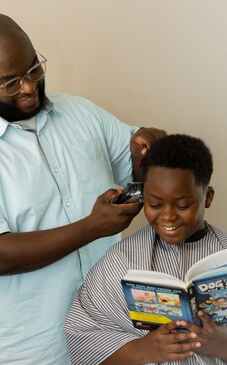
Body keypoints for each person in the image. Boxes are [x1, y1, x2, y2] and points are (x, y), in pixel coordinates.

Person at [0, 13, 166, 365]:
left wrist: (146, 149)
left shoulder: (81, 112)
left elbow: (139, 172)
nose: (28, 87)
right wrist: (91, 227)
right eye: (10, 82)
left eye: (34, 69)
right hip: (25, 351)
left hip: (108, 336)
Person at [65, 134, 227, 365]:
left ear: (207, 197)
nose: (168, 216)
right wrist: (144, 349)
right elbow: (82, 340)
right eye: (155, 204)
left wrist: (223, 346)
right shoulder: (121, 261)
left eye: (182, 205)